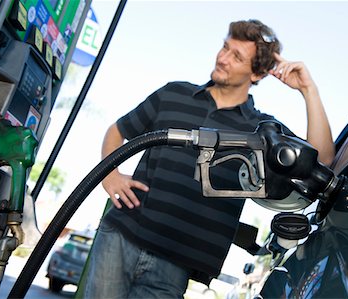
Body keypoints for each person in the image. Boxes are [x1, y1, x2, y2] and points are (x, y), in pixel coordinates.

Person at [84, 19, 334, 299]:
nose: (223, 58)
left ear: (257, 74)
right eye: (225, 47)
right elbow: (117, 131)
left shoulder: (262, 130)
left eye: (236, 56)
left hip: (177, 260)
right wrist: (110, 175)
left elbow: (321, 160)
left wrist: (308, 90)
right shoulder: (174, 93)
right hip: (122, 234)